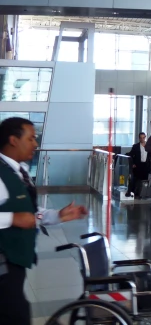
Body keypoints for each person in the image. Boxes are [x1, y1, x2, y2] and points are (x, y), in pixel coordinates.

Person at [0, 117, 88, 325]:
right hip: (4, 263)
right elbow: (18, 216)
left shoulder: (18, 172)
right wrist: (12, 218)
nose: (35, 144)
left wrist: (56, 215)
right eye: (31, 138)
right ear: (13, 140)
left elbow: (29, 212)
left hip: (14, 262)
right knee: (16, 315)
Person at [126, 132, 150, 198]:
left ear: (145, 137)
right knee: (136, 180)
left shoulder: (149, 146)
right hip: (138, 165)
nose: (142, 139)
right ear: (139, 138)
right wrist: (133, 163)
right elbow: (131, 154)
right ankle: (133, 193)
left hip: (146, 165)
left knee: (144, 180)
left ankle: (143, 193)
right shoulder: (136, 146)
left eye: (143, 137)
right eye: (141, 138)